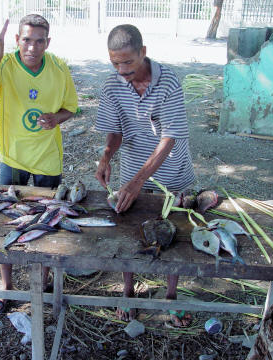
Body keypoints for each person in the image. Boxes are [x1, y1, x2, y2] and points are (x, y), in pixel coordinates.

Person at [0, 14, 78, 314]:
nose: (32, 47)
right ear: (17, 40)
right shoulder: (4, 64)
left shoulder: (58, 68)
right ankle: (5, 286)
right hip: (12, 157)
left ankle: (42, 280)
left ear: (48, 42)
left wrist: (57, 118)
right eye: (26, 40)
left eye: (39, 41)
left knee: (48, 219)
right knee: (5, 218)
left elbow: (70, 108)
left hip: (47, 158)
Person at [95, 24, 195, 325]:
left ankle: (171, 295)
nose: (122, 70)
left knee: (173, 231)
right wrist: (106, 155)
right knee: (129, 229)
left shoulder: (168, 82)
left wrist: (139, 182)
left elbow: (169, 138)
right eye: (115, 63)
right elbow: (114, 131)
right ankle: (128, 290)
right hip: (132, 168)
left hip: (172, 169)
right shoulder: (111, 86)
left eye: (128, 62)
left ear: (143, 52)